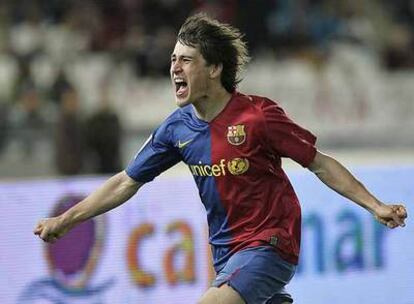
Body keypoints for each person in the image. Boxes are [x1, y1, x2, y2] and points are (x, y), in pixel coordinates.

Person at [34, 13, 407, 304]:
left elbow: (320, 162)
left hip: (269, 245)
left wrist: (375, 206)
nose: (174, 68)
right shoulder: (175, 129)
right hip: (226, 255)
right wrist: (68, 219)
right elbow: (125, 181)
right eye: (173, 59)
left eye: (186, 60)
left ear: (214, 69)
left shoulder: (258, 117)